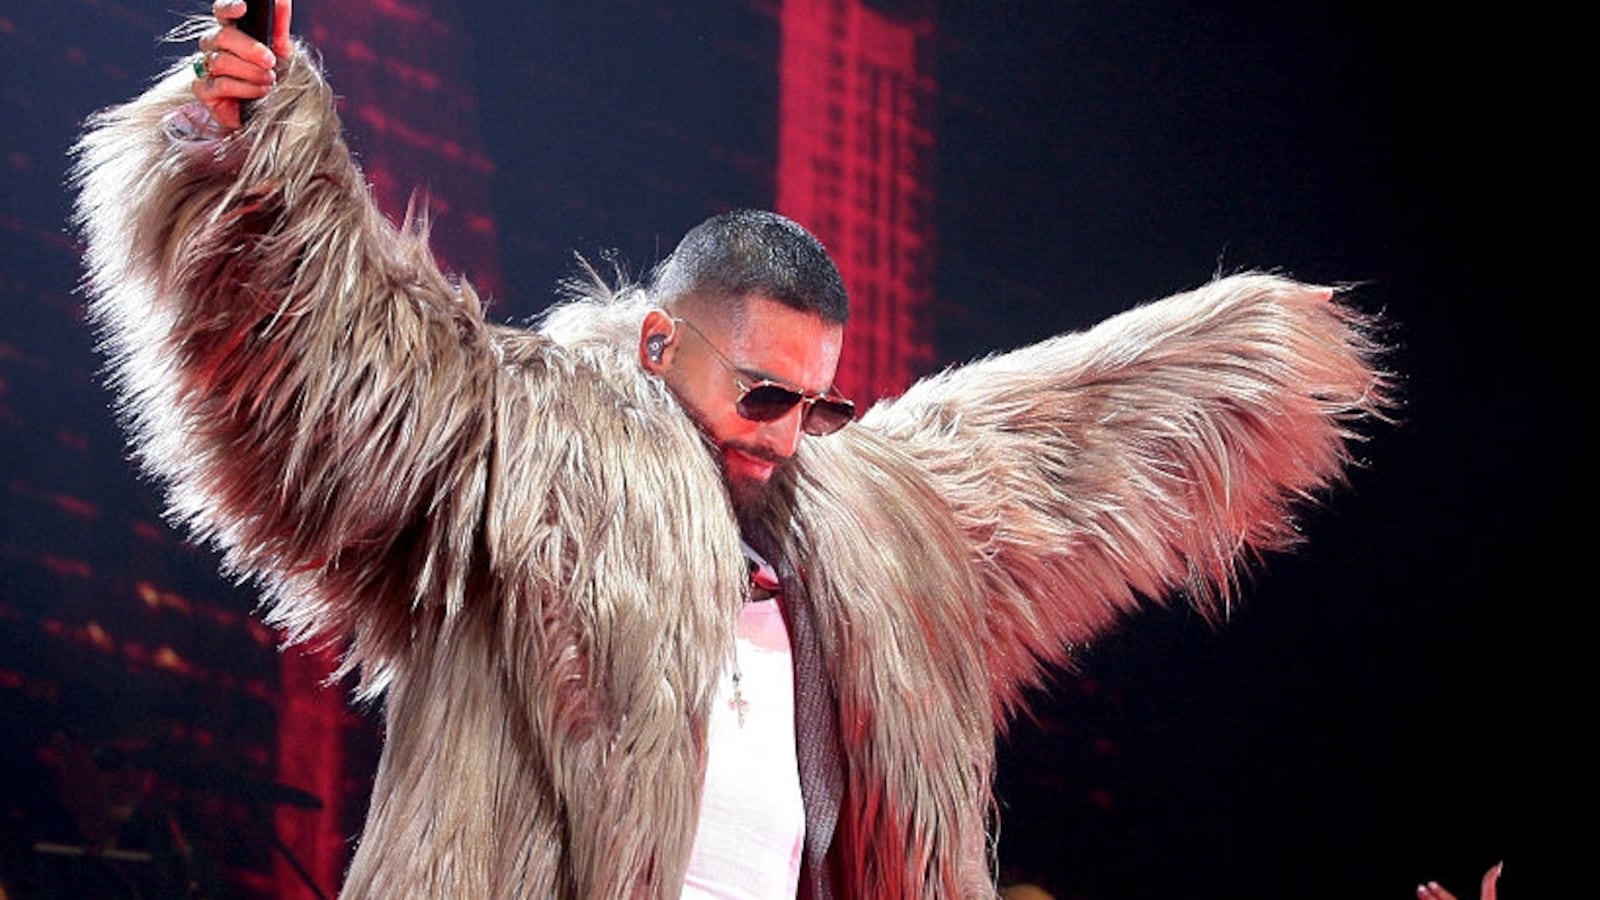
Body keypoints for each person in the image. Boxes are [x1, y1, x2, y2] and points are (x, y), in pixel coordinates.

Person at [72, 1, 1397, 897]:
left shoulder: (862, 537)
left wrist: (1226, 354)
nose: (790, 441)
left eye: (819, 407)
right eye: (762, 397)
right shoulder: (519, 453)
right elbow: (324, 350)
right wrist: (242, 150)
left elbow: (1038, 451)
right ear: (656, 347)